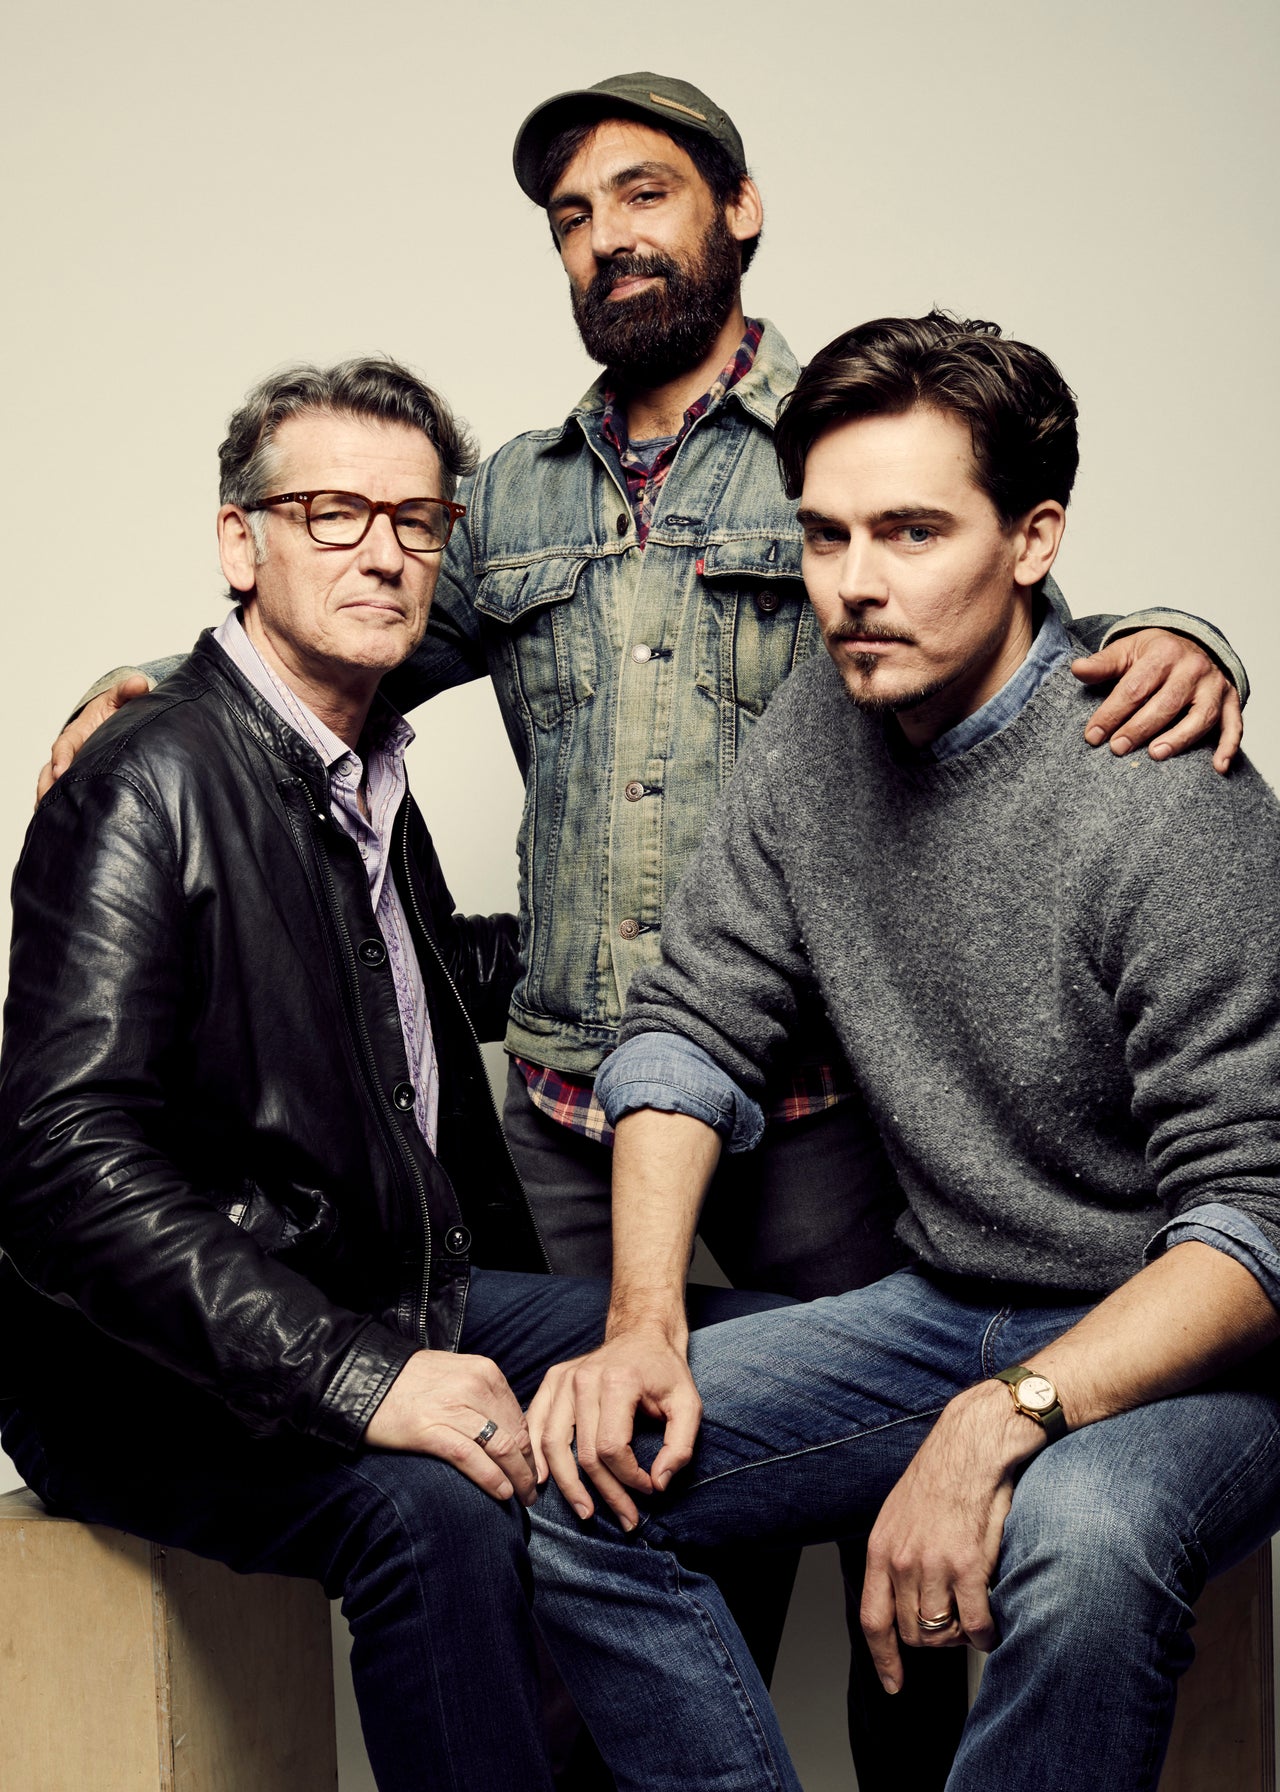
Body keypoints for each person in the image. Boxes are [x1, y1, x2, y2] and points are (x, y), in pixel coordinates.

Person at [35, 75, 1253, 1786]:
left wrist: (1182, 631)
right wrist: (157, 691)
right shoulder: (507, 499)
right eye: (570, 217)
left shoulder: (853, 434)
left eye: (645, 193)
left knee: (931, 1556)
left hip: (841, 1122)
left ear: (738, 210)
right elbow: (343, 611)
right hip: (581, 1120)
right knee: (606, 1474)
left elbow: (1000, 620)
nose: (857, 575)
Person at [523, 313, 1280, 1792]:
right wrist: (641, 1323)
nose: (857, 585)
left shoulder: (1169, 799)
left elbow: (1259, 1224)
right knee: (583, 1488)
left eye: (915, 531)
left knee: (1087, 1533)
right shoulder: (825, 719)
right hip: (947, 1305)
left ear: (1032, 538)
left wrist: (1003, 1423)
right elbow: (694, 1019)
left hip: (1196, 1350)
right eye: (826, 535)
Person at [0, 357, 777, 1792]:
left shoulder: (354, 767)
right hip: (142, 1368)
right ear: (242, 543)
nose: (383, 549)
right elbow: (62, 1169)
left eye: (418, 522)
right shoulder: (144, 782)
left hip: (381, 1279)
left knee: (758, 1373)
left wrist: (723, 949)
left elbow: (413, 976)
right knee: (438, 1515)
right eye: (331, 510)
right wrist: (367, 1379)